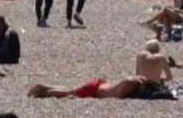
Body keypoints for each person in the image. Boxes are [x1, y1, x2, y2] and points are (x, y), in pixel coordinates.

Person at [28, 40, 172, 100]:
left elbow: (134, 75)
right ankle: (42, 90)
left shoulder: (140, 58)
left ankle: (43, 88)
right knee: (69, 92)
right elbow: (121, 94)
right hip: (96, 89)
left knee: (71, 90)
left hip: (101, 84)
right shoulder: (132, 83)